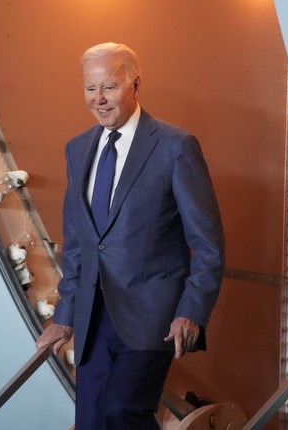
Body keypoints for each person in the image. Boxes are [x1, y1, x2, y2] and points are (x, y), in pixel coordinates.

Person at [37, 42, 225, 429]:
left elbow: (208, 244)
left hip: (152, 314)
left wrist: (191, 312)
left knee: (121, 411)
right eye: (90, 88)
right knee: (91, 422)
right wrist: (64, 315)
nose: (98, 99)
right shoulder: (77, 149)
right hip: (92, 317)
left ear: (135, 84)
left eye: (109, 87)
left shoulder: (175, 147)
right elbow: (78, 244)